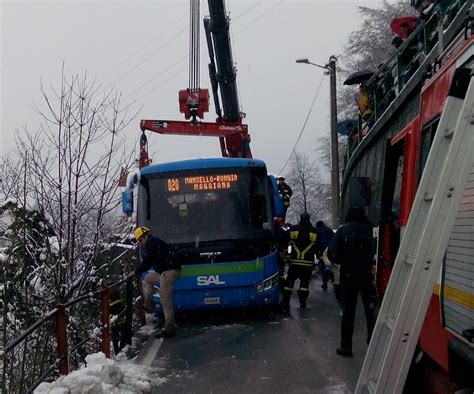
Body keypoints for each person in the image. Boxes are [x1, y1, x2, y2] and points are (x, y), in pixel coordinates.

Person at [328, 207, 376, 357]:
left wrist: (345, 260)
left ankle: (346, 345)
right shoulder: (371, 230)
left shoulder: (343, 231)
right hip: (368, 274)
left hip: (348, 275)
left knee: (349, 311)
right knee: (371, 310)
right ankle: (374, 343)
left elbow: (332, 254)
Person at [133, 226, 181, 338]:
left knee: (165, 300)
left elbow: (148, 260)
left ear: (145, 236)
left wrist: (137, 271)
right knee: (148, 279)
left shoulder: (152, 243)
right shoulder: (152, 243)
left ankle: (170, 330)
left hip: (169, 270)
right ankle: (148, 304)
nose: (140, 243)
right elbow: (150, 261)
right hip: (163, 270)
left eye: (140, 240)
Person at [281, 212, 318, 311]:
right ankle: (303, 302)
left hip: (294, 262)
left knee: (289, 282)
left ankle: (285, 301)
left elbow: (284, 240)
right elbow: (318, 246)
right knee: (304, 284)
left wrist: (285, 255)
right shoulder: (314, 231)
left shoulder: (294, 229)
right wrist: (320, 258)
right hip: (307, 263)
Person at [315, 220, 335, 291]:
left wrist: (317, 254)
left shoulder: (317, 231)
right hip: (331, 251)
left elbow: (316, 243)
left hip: (322, 251)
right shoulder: (329, 230)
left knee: (324, 267)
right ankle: (334, 282)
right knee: (331, 267)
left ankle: (325, 283)